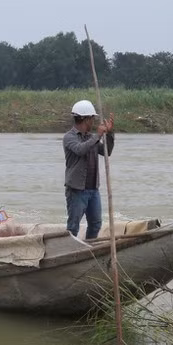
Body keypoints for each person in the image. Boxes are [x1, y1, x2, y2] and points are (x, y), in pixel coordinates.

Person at [63, 99, 115, 240]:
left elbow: (107, 151)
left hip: (93, 189)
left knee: (96, 224)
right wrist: (98, 135)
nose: (93, 121)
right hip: (77, 190)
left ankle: (90, 248)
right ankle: (69, 250)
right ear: (85, 119)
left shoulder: (91, 137)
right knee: (73, 226)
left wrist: (109, 134)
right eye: (92, 118)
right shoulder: (69, 137)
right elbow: (80, 150)